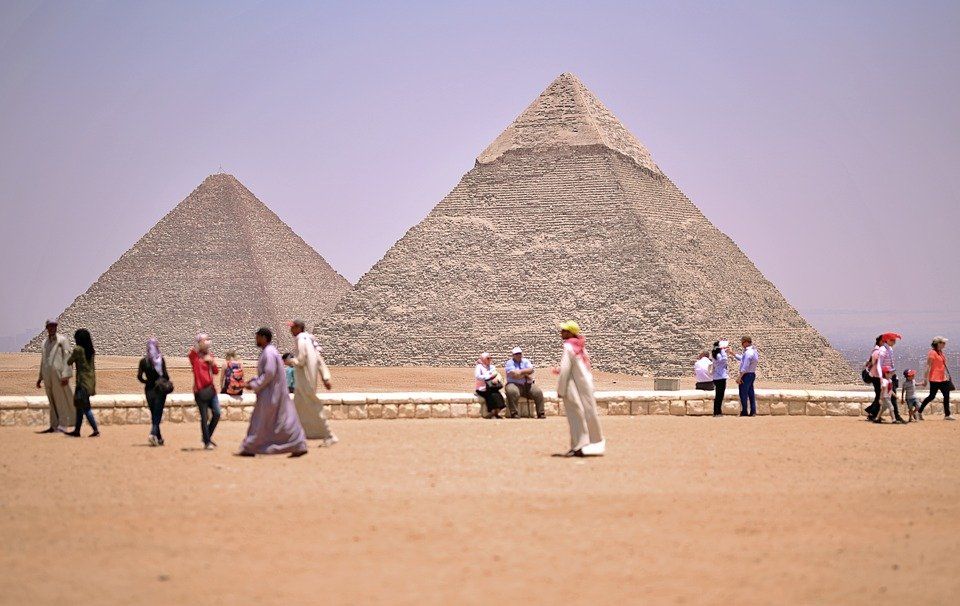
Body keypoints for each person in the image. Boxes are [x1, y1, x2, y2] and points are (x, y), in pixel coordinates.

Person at [238, 327, 308, 457]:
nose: (256, 339)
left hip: (271, 394)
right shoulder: (270, 351)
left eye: (257, 336)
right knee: (282, 421)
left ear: (264, 338)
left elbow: (269, 373)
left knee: (261, 421)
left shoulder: (269, 352)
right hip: (273, 392)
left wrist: (254, 384)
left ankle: (251, 447)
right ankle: (298, 444)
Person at [553, 321, 604, 457]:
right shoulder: (581, 347)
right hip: (584, 387)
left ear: (570, 332)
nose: (561, 333)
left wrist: (560, 389)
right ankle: (580, 445)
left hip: (571, 387)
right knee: (584, 415)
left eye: (564, 330)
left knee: (575, 417)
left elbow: (565, 369)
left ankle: (578, 446)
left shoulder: (569, 347)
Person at [285, 320, 338, 446]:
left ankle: (329, 434)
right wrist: (325, 377)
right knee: (297, 408)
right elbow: (318, 359)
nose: (290, 330)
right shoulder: (309, 339)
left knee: (313, 407)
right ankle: (297, 437)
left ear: (298, 328)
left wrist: (290, 361)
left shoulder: (301, 339)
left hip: (305, 381)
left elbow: (301, 360)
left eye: (292, 328)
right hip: (307, 380)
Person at [35, 319, 75, 433]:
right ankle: (53, 425)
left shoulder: (62, 340)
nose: (52, 328)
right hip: (47, 376)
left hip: (59, 376)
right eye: (50, 326)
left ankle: (63, 424)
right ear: (47, 328)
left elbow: (68, 358)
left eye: (54, 326)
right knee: (51, 401)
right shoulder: (44, 343)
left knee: (60, 400)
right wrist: (40, 378)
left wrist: (66, 375)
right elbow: (43, 361)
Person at [64, 329, 99, 437]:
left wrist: (67, 352)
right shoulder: (91, 351)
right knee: (79, 407)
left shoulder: (78, 350)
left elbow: (69, 361)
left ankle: (95, 429)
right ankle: (77, 431)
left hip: (82, 383)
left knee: (86, 408)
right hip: (90, 382)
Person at [188, 333, 221, 449]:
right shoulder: (195, 356)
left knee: (217, 413)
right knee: (204, 417)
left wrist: (211, 362)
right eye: (205, 340)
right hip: (199, 391)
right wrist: (197, 348)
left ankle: (207, 436)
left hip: (211, 390)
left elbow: (216, 371)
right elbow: (191, 354)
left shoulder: (210, 355)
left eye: (208, 339)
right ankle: (207, 442)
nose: (208, 342)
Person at [138, 338, 170, 446]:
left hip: (149, 390)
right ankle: (152, 434)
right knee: (157, 414)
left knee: (154, 413)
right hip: (160, 390)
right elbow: (166, 376)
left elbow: (139, 377)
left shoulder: (143, 361)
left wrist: (148, 382)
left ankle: (159, 438)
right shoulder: (160, 360)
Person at [504, 347, 546, 419]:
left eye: (520, 354)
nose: (518, 355)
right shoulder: (509, 363)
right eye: (516, 354)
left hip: (527, 384)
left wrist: (520, 372)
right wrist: (526, 374)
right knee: (512, 391)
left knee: (538, 392)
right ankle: (514, 413)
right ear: (513, 355)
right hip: (514, 384)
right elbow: (513, 375)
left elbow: (531, 370)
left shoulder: (525, 361)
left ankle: (541, 413)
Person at [918, 336, 953, 421]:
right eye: (943, 343)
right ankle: (919, 411)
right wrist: (925, 379)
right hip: (934, 379)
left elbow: (942, 365)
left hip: (943, 378)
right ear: (938, 343)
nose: (944, 344)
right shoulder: (932, 353)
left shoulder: (941, 352)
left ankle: (947, 415)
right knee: (931, 396)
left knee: (946, 395)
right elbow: (928, 366)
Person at [875, 333, 905, 423]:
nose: (894, 342)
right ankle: (896, 417)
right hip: (885, 375)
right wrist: (881, 377)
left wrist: (895, 374)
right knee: (890, 396)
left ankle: (876, 416)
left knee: (888, 397)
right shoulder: (882, 350)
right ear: (886, 340)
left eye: (894, 340)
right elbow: (879, 365)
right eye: (892, 340)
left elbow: (892, 363)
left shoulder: (890, 349)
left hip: (891, 374)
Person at [475, 352, 506, 419]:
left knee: (497, 394)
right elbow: (478, 376)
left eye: (490, 358)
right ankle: (492, 413)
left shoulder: (492, 367)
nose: (490, 360)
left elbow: (495, 374)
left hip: (492, 387)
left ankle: (496, 412)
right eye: (488, 358)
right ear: (483, 359)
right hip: (482, 388)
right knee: (490, 395)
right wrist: (488, 376)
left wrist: (496, 379)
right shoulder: (479, 367)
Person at [733, 336, 759, 417]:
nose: (742, 344)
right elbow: (742, 359)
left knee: (743, 393)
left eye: (742, 342)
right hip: (752, 374)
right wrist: (733, 353)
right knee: (751, 393)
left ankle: (744, 411)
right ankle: (753, 411)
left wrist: (739, 377)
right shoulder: (754, 351)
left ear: (746, 342)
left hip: (746, 375)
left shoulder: (748, 353)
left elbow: (745, 366)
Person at [863, 335, 884, 420]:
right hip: (875, 376)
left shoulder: (879, 350)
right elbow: (873, 363)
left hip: (878, 375)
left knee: (879, 395)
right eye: (883, 341)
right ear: (880, 342)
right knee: (879, 395)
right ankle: (873, 413)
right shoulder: (877, 351)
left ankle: (872, 412)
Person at [710, 340, 731, 417]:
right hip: (720, 377)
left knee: (719, 395)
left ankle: (718, 411)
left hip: (717, 377)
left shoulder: (715, 354)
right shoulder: (719, 355)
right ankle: (717, 412)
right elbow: (724, 360)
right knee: (719, 395)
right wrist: (723, 350)